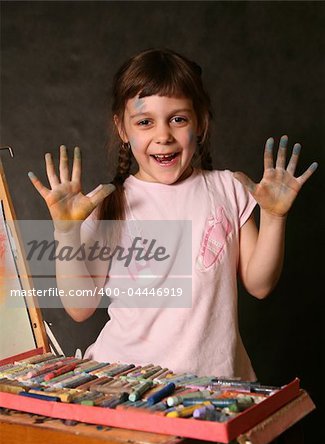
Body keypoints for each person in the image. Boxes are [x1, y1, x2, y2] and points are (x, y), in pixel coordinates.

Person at [28, 48, 317, 380]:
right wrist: (66, 232)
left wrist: (274, 217)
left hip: (216, 388)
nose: (163, 136)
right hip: (130, 386)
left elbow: (260, 284)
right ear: (122, 128)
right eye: (145, 122)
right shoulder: (108, 204)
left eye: (178, 119)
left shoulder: (227, 189)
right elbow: (80, 308)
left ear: (201, 122)